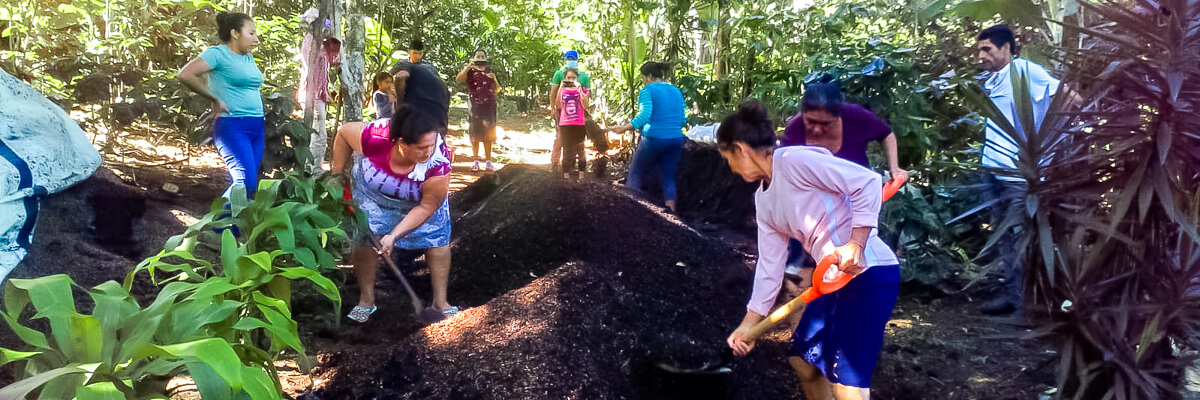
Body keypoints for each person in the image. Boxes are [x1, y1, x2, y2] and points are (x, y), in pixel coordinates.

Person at [719, 100, 900, 400]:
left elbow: (867, 182)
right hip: (831, 280)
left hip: (869, 273)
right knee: (804, 363)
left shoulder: (794, 161)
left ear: (740, 149)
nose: (730, 167)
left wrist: (856, 243)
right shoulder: (763, 202)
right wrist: (747, 326)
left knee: (846, 382)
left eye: (727, 157)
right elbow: (769, 267)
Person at [331, 97, 457, 322]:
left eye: (432, 144)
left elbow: (427, 207)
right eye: (421, 148)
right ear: (400, 142)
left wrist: (393, 235)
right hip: (373, 194)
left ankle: (441, 301)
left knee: (436, 237)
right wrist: (336, 173)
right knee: (365, 238)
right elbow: (343, 133)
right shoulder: (374, 136)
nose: (428, 152)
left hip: (417, 202)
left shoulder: (438, 163)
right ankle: (366, 300)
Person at [779, 81, 908, 277]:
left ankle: (862, 271)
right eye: (810, 121)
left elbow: (886, 134)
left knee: (858, 242)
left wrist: (895, 167)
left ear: (839, 116)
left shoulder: (856, 116)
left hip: (856, 194)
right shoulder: (794, 129)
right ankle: (799, 266)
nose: (816, 129)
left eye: (825, 124)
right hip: (816, 196)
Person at [975, 23, 1060, 315]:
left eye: (987, 49)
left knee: (1021, 235)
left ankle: (1027, 305)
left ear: (1007, 48)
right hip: (994, 168)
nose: (980, 56)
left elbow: (1069, 100)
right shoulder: (995, 78)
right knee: (1004, 235)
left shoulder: (1026, 71)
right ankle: (1013, 296)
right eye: (979, 50)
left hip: (1019, 172)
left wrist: (1054, 147)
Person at [178, 12, 264, 199]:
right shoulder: (218, 54)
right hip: (233, 125)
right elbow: (186, 74)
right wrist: (214, 97)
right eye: (251, 33)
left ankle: (229, 228)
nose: (256, 39)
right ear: (235, 33)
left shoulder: (247, 57)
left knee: (248, 187)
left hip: (257, 126)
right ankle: (216, 229)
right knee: (245, 184)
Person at [611, 61, 686, 212]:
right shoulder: (676, 90)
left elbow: (645, 115)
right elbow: (683, 119)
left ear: (650, 76)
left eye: (644, 77)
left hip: (654, 139)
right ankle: (672, 215)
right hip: (676, 139)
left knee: (635, 174)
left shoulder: (648, 90)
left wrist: (624, 128)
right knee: (669, 178)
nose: (644, 80)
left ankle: (631, 210)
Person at [456, 50, 501, 172]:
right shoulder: (470, 71)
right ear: (474, 58)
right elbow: (459, 79)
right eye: (478, 56)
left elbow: (497, 89)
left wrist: (495, 79)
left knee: (489, 134)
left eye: (482, 56)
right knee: (475, 134)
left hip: (489, 105)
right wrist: (468, 66)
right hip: (475, 105)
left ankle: (488, 162)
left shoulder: (490, 71)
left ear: (486, 58)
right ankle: (475, 161)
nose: (480, 58)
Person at [548, 50, 591, 172]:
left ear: (577, 60)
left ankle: (571, 165)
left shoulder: (583, 77)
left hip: (578, 113)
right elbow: (553, 92)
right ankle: (555, 164)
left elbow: (588, 95)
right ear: (565, 60)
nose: (571, 61)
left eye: (573, 59)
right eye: (569, 59)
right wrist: (553, 108)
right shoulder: (559, 74)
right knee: (560, 137)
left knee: (577, 141)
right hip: (562, 112)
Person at [555, 69, 590, 181]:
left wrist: (580, 90)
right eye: (568, 78)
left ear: (577, 79)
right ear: (564, 79)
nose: (571, 80)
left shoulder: (582, 89)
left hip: (579, 123)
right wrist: (561, 87)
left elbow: (586, 105)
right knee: (567, 149)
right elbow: (558, 105)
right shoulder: (562, 90)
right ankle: (566, 175)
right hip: (565, 123)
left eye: (573, 78)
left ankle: (581, 175)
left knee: (580, 149)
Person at [389, 39, 437, 105]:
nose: (417, 56)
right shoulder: (402, 64)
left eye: (420, 53)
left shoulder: (428, 66)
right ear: (409, 52)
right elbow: (387, 77)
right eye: (415, 53)